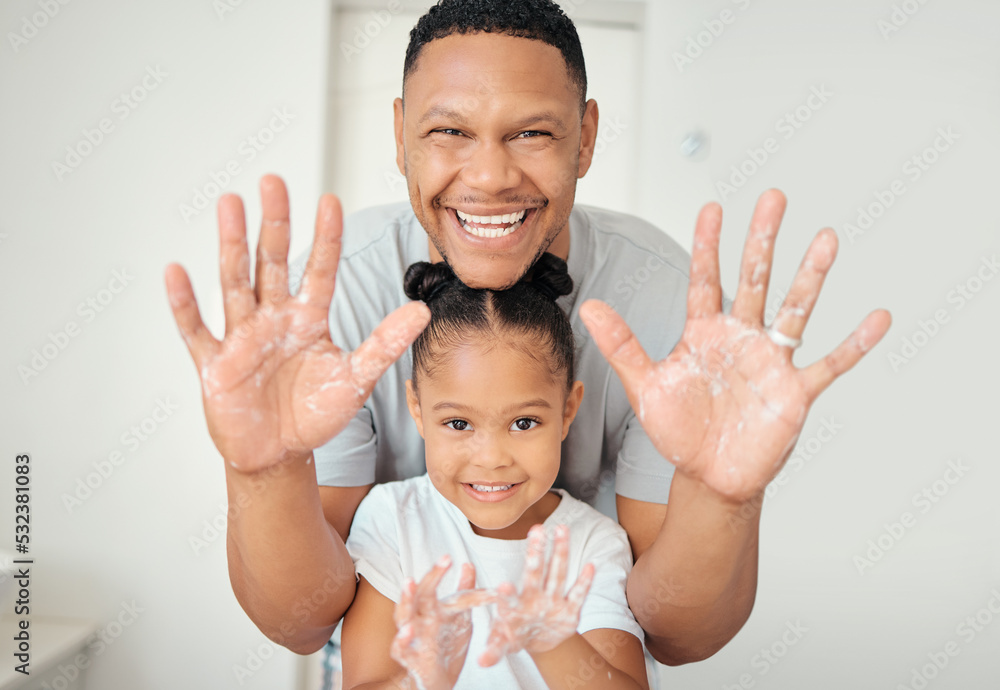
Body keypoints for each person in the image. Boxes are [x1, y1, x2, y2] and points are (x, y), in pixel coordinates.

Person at [163, 0, 891, 669]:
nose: (489, 175)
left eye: (532, 133)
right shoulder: (331, 302)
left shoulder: (669, 306)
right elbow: (302, 621)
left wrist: (721, 497)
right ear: (399, 134)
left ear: (587, 138)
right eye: (449, 130)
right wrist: (263, 472)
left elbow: (676, 635)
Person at [340, 255, 648, 689]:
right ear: (418, 410)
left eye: (523, 423)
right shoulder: (393, 520)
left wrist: (551, 643)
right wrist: (422, 681)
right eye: (459, 424)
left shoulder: (593, 545)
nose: (491, 459)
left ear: (567, 411)